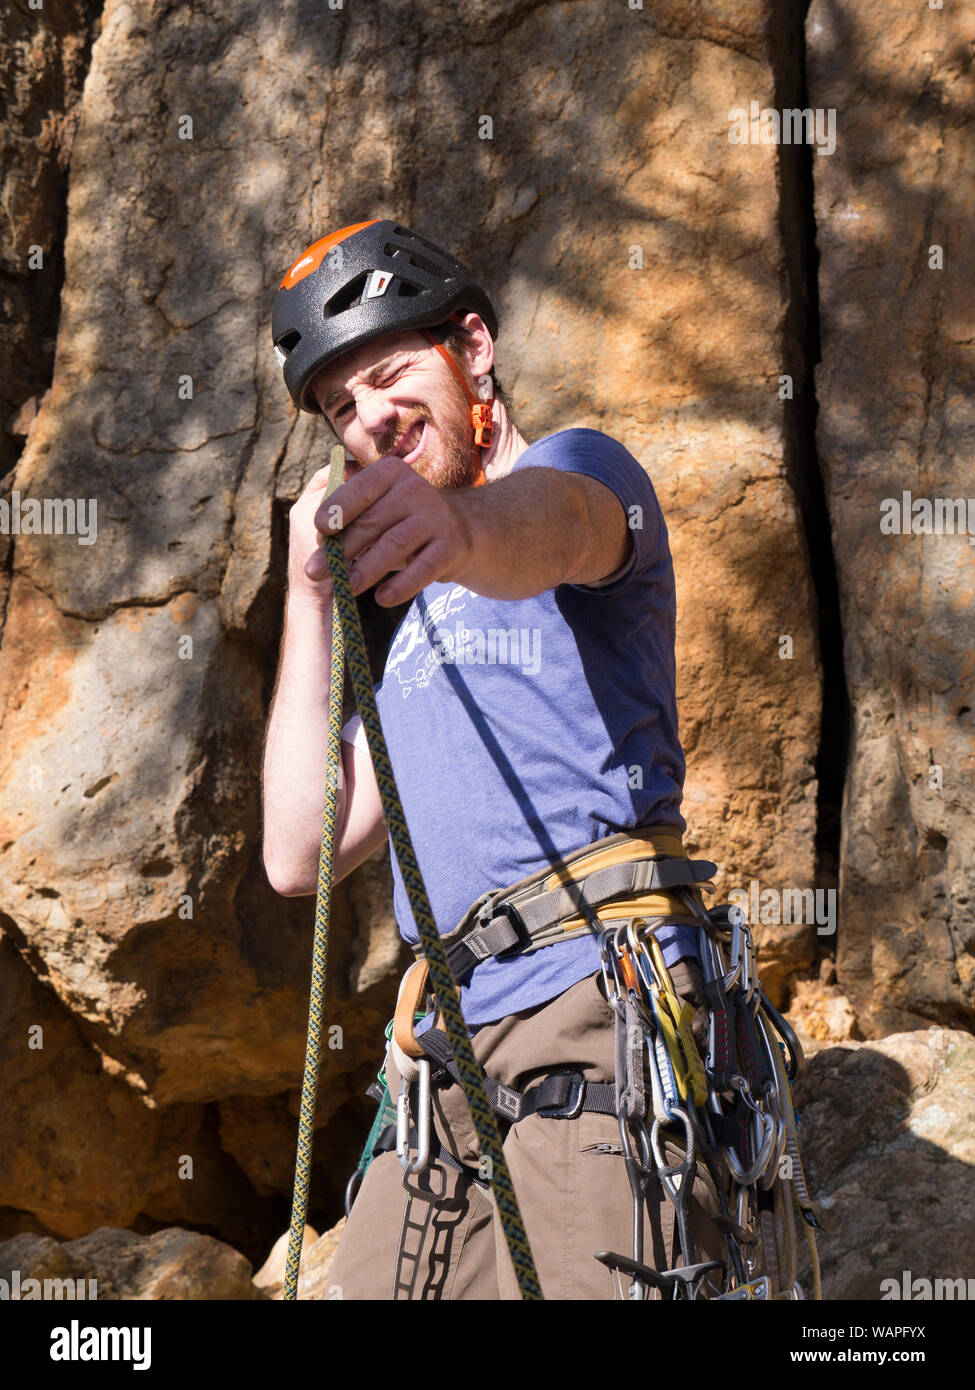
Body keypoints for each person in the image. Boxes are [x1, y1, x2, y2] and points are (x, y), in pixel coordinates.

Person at [262, 219, 725, 1300]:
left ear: (472, 347)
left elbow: (557, 526)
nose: (370, 416)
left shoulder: (580, 473)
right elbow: (298, 850)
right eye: (342, 408)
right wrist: (310, 591)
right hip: (445, 1066)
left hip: (590, 1008)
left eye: (389, 374)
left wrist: (457, 537)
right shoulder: (413, 634)